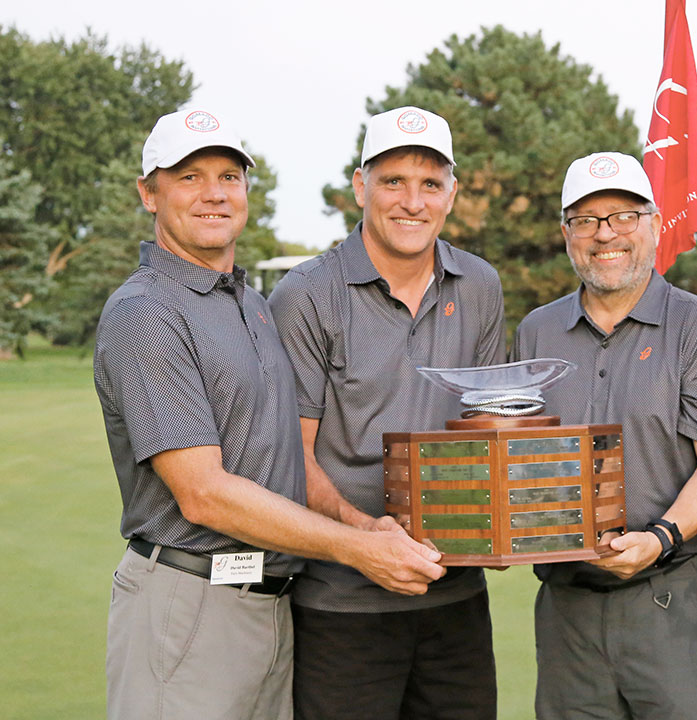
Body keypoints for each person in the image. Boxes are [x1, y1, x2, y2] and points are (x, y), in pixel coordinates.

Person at [94, 109, 445, 720]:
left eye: (229, 176)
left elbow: (284, 461)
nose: (213, 193)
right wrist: (355, 550)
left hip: (273, 607)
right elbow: (204, 495)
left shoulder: (252, 305)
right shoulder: (145, 313)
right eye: (188, 177)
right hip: (192, 602)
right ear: (149, 193)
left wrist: (364, 527)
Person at [268, 106, 505, 720]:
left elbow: (483, 432)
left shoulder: (479, 284)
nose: (412, 201)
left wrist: (503, 519)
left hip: (455, 599)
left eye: (430, 183)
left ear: (452, 194)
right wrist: (363, 535)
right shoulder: (305, 294)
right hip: (341, 605)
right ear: (360, 187)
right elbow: (294, 455)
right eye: (393, 180)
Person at [512, 152, 697, 720]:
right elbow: (520, 460)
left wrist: (660, 537)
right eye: (586, 220)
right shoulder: (537, 329)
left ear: (655, 224)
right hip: (567, 608)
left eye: (624, 216)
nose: (605, 234)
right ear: (566, 234)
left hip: (674, 597)